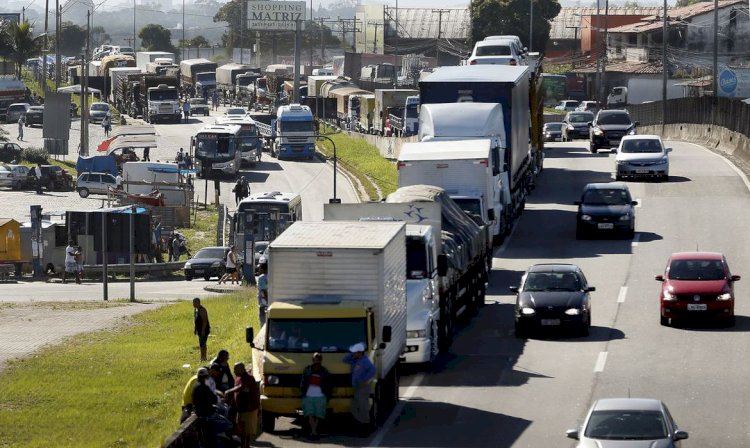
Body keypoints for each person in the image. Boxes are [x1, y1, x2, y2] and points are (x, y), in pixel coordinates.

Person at [192, 367, 233, 446]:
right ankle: (221, 436)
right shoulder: (204, 388)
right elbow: (213, 399)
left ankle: (217, 435)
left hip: (200, 415)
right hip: (208, 415)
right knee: (229, 425)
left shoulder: (195, 387)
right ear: (205, 377)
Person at [343, 342, 376, 435]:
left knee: (363, 408)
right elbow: (344, 359)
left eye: (354, 352)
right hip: (358, 388)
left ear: (359, 352)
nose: (353, 353)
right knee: (354, 407)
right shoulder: (355, 360)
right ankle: (363, 423)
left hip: (363, 388)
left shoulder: (365, 361)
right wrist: (352, 354)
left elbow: (373, 370)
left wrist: (365, 380)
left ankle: (366, 428)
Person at [226, 362, 260, 448]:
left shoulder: (249, 378)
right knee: (241, 431)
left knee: (246, 432)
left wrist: (229, 391)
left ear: (241, 369)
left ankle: (246, 446)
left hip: (249, 409)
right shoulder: (238, 377)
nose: (233, 371)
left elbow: (242, 386)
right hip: (241, 409)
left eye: (235, 369)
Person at [300, 353, 332, 440]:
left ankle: (314, 431)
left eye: (318, 359)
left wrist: (328, 394)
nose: (316, 361)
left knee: (318, 414)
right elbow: (303, 382)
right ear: (312, 360)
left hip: (320, 395)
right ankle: (314, 431)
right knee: (309, 413)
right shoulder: (307, 370)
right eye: (315, 359)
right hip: (308, 395)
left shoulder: (324, 371)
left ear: (321, 361)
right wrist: (302, 392)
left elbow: (328, 384)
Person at [193, 298, 211, 362]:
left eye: (194, 303)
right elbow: (195, 320)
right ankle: (202, 357)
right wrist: (195, 329)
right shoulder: (195, 310)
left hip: (204, 329)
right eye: (193, 303)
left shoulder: (202, 310)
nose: (193, 304)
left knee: (203, 344)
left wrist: (203, 330)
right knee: (201, 344)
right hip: (199, 330)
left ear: (198, 303)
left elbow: (205, 321)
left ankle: (204, 357)